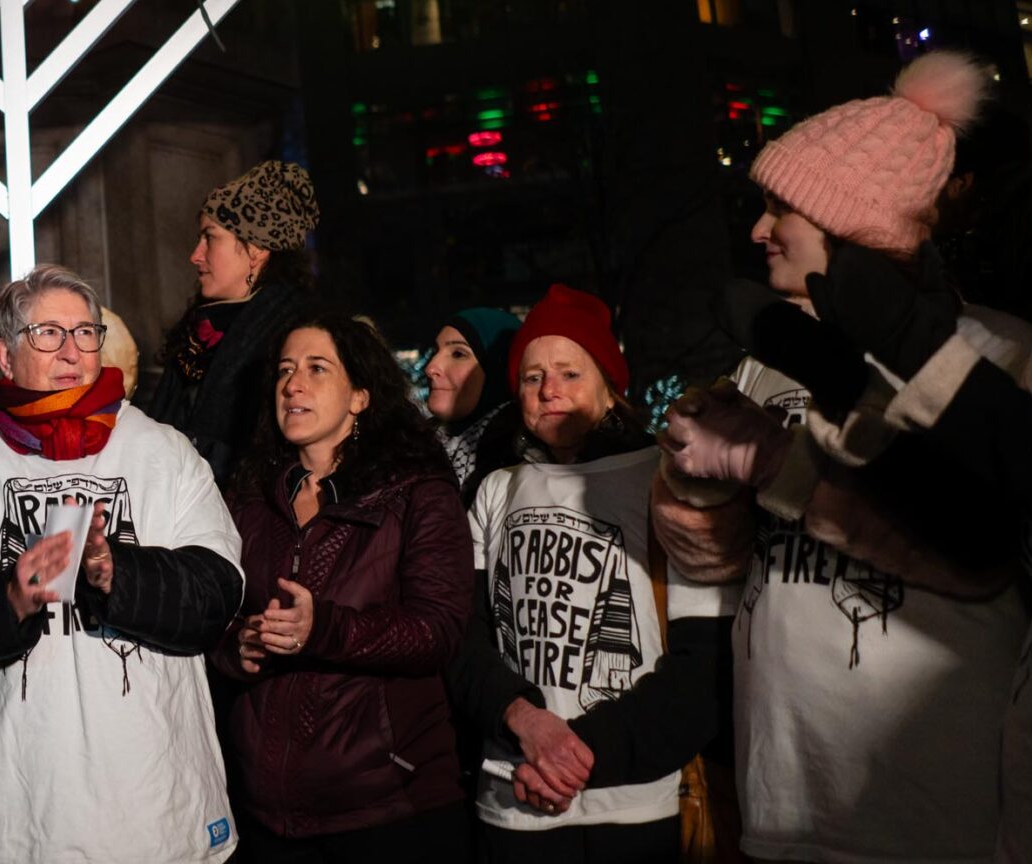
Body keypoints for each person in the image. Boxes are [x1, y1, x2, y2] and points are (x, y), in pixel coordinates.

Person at [652, 50, 1032, 864]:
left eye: (778, 208)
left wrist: (768, 462)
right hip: (782, 790)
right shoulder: (769, 358)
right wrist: (692, 484)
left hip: (916, 809)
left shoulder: (988, 357)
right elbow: (722, 564)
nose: (757, 230)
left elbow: (973, 551)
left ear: (849, 220)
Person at [0, 264, 244, 862]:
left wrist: (115, 573)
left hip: (154, 812)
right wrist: (8, 598)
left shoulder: (163, 451)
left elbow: (218, 591)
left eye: (86, 332)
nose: (72, 350)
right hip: (19, 814)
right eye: (48, 333)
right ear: (5, 356)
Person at [448, 285, 733, 863]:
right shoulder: (494, 488)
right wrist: (524, 722)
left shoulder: (666, 479)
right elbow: (462, 634)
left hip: (632, 805)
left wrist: (576, 755)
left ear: (610, 383)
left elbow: (704, 666)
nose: (550, 389)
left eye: (570, 373)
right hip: (510, 800)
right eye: (532, 377)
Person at [211, 311, 473, 859]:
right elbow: (214, 616)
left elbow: (438, 629)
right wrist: (239, 644)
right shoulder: (248, 497)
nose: (293, 383)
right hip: (265, 817)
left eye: (317, 368)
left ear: (360, 395)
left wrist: (323, 628)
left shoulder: (416, 491)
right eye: (284, 369)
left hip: (389, 810)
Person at [145, 160, 320, 487]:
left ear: (256, 249)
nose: (195, 255)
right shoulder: (201, 332)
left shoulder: (296, 330)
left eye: (210, 238)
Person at [423, 307, 524, 504]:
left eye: (458, 354)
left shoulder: (521, 461)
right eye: (435, 351)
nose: (430, 368)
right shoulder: (413, 446)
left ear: (497, 367)